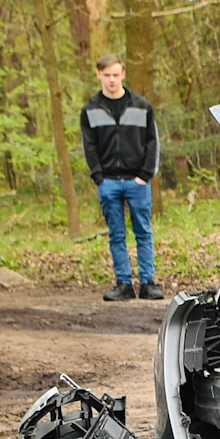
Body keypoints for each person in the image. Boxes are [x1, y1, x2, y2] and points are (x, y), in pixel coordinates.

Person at [78, 54, 161, 301]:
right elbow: (88, 146)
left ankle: (148, 283)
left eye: (116, 74)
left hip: (137, 181)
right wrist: (99, 177)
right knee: (116, 235)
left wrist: (144, 175)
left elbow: (152, 142)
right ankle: (123, 283)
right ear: (99, 75)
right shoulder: (90, 109)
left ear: (123, 74)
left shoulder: (142, 105)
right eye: (107, 75)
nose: (112, 80)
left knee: (143, 232)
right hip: (108, 183)